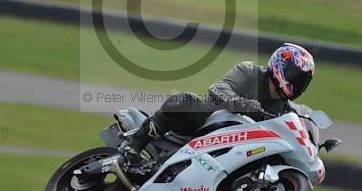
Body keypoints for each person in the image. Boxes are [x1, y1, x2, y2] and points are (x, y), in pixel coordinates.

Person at [119, 43, 315, 165]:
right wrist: (242, 104)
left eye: (303, 82)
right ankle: (134, 146)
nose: (299, 85)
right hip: (204, 124)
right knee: (183, 101)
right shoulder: (249, 72)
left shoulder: (285, 109)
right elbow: (218, 89)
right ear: (283, 67)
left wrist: (312, 143)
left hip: (236, 146)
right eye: (297, 78)